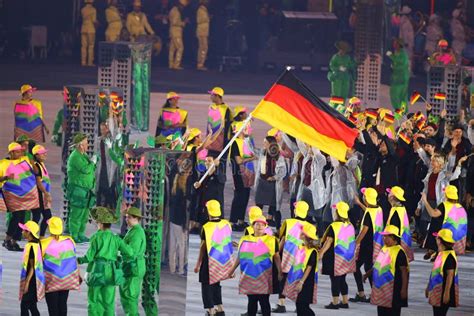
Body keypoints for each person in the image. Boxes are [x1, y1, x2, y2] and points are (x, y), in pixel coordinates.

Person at [78, 206, 133, 316]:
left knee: (93, 301)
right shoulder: (116, 238)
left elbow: (88, 257)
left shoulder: (96, 237)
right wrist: (119, 259)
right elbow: (130, 252)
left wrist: (78, 260)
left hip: (96, 272)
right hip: (110, 273)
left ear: (100, 223)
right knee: (108, 303)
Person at [228, 215, 282, 316]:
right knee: (251, 301)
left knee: (264, 300)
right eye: (257, 224)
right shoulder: (244, 239)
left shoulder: (272, 240)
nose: (260, 226)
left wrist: (280, 271)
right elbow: (240, 257)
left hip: (264, 277)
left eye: (262, 224)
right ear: (253, 226)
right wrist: (231, 270)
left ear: (266, 226)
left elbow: (276, 257)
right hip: (248, 276)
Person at [418, 156, 463, 260]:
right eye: (432, 161)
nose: (432, 162)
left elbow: (455, 175)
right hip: (429, 201)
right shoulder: (429, 174)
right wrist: (419, 205)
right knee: (425, 226)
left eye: (434, 161)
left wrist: (459, 164)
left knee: (437, 228)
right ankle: (431, 248)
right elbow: (425, 190)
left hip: (440, 203)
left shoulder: (444, 174)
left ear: (440, 163)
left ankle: (436, 251)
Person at [194, 200, 234, 316]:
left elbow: (203, 247)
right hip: (222, 260)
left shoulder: (206, 227)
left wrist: (198, 264)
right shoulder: (227, 224)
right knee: (216, 283)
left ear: (208, 212)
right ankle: (220, 308)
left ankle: (211, 310)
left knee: (205, 283)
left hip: (209, 259)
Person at [273, 200, 310, 313]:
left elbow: (283, 239)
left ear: (295, 211)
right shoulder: (310, 226)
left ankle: (281, 304)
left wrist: (276, 252)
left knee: (283, 279)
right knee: (297, 280)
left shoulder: (288, 222)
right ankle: (298, 304)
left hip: (288, 256)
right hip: (302, 258)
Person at [2, 142, 39, 252]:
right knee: (16, 217)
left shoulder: (24, 161)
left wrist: (32, 163)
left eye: (21, 151)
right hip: (11, 193)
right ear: (12, 152)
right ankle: (7, 239)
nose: (20, 154)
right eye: (17, 152)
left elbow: (35, 172)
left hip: (23, 194)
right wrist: (6, 177)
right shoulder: (4, 163)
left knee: (21, 218)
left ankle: (14, 240)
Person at [319, 202, 356, 309]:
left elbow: (329, 241)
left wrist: (321, 253)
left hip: (334, 257)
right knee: (342, 279)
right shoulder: (350, 225)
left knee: (334, 279)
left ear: (338, 213)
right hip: (346, 257)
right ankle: (345, 301)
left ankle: (335, 302)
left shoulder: (334, 226)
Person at [41, 217, 81, 316]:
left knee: (52, 307)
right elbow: (73, 259)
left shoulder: (43, 243)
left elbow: (38, 263)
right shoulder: (70, 241)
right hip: (66, 279)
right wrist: (78, 274)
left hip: (51, 280)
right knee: (63, 304)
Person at [351, 187, 384, 303]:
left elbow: (364, 229)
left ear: (367, 198)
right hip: (375, 244)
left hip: (366, 244)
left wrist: (355, 243)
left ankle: (367, 293)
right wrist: (360, 203)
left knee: (359, 267)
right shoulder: (378, 209)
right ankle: (368, 293)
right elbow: (369, 213)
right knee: (367, 267)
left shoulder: (369, 213)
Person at [368, 225, 409, 316]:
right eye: (383, 236)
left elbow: (404, 272)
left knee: (393, 312)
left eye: (386, 236)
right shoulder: (384, 248)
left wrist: (404, 289)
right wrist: (368, 274)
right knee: (381, 310)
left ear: (393, 238)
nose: (384, 238)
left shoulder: (399, 252)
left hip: (394, 289)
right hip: (382, 289)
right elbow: (377, 264)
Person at [66, 133, 97, 243]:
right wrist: (92, 163)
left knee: (84, 214)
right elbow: (86, 169)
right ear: (80, 145)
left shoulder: (83, 155)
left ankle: (80, 234)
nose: (87, 144)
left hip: (86, 190)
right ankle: (74, 235)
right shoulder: (75, 156)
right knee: (76, 214)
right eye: (86, 142)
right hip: (78, 190)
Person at [422, 185, 468, 256]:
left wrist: (425, 201)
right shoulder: (461, 207)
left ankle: (433, 248)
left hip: (447, 237)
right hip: (459, 240)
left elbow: (433, 214)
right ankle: (434, 250)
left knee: (435, 221)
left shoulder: (444, 205)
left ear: (446, 195)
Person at [282, 224, 318, 316]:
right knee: (299, 305)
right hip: (299, 279)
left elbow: (309, 268)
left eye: (302, 232)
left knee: (303, 306)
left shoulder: (312, 251)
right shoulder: (301, 247)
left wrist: (301, 282)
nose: (300, 233)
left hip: (306, 282)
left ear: (305, 236)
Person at [206, 87, 232, 206]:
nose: (211, 97)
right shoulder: (211, 108)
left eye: (212, 95)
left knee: (219, 177)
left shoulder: (226, 110)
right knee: (209, 176)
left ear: (217, 96)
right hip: (210, 147)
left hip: (221, 149)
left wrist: (225, 148)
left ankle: (219, 206)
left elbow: (229, 130)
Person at [255, 136, 287, 229]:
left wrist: (274, 177)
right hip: (262, 181)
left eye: (265, 142)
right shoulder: (262, 153)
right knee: (259, 202)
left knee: (273, 203)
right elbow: (253, 150)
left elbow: (283, 171)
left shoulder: (279, 157)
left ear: (270, 144)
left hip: (273, 184)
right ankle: (257, 218)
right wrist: (246, 138)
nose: (263, 144)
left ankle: (270, 220)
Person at [229, 120, 256, 231]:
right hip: (239, 173)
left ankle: (240, 220)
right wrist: (252, 158)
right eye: (246, 128)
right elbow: (239, 160)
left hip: (248, 173)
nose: (248, 129)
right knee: (239, 197)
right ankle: (233, 221)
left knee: (245, 196)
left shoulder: (246, 141)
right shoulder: (235, 142)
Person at [119, 207, 146, 316]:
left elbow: (131, 253)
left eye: (129, 217)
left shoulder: (136, 233)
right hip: (132, 267)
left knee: (129, 296)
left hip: (133, 267)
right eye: (126, 217)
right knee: (129, 296)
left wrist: (120, 247)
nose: (126, 220)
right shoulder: (134, 230)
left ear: (136, 219)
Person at [426, 229, 459, 316]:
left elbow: (450, 275)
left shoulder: (449, 257)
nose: (435, 239)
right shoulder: (441, 253)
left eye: (437, 238)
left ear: (440, 241)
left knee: (440, 313)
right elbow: (434, 271)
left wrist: (446, 293)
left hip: (443, 290)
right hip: (436, 290)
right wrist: (428, 287)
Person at [18, 221, 45, 316]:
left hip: (32, 280)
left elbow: (32, 267)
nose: (22, 232)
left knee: (24, 305)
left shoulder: (31, 247)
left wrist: (27, 283)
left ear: (29, 232)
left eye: (24, 230)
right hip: (36, 279)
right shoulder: (37, 243)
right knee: (32, 305)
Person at [386, 186, 414, 261]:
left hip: (396, 244)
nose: (388, 195)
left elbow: (395, 228)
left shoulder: (396, 211)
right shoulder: (400, 208)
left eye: (389, 194)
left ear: (392, 197)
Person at [31, 145, 52, 238]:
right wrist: (46, 193)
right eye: (42, 153)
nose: (45, 154)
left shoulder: (41, 164)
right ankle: (33, 235)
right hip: (39, 195)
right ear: (36, 155)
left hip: (43, 195)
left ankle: (41, 236)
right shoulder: (36, 166)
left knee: (46, 216)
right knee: (37, 217)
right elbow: (38, 182)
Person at [387, 38, 409, 111]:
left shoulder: (402, 54)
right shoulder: (399, 53)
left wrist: (391, 57)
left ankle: (400, 110)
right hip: (400, 78)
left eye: (395, 43)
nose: (394, 45)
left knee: (396, 94)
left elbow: (401, 64)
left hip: (400, 78)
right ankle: (402, 111)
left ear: (399, 45)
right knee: (401, 96)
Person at [168, 0, 188, 70]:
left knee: (172, 48)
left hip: (173, 31)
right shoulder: (176, 11)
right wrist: (183, 23)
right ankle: (176, 64)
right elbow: (175, 22)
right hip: (176, 32)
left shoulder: (173, 10)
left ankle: (171, 64)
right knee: (180, 47)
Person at [81, 0, 97, 66]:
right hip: (91, 29)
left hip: (83, 28)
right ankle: (90, 62)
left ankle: (83, 62)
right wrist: (97, 24)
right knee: (91, 46)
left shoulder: (82, 9)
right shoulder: (93, 10)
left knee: (83, 46)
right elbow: (94, 20)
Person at [399, 6, 414, 72]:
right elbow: (405, 33)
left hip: (405, 42)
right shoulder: (405, 22)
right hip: (407, 43)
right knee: (408, 57)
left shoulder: (404, 21)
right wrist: (406, 42)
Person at [196, 0, 210, 70]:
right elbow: (199, 20)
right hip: (202, 31)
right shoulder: (200, 10)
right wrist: (208, 18)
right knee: (203, 48)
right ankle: (200, 64)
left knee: (203, 47)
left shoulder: (204, 10)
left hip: (204, 31)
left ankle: (201, 63)